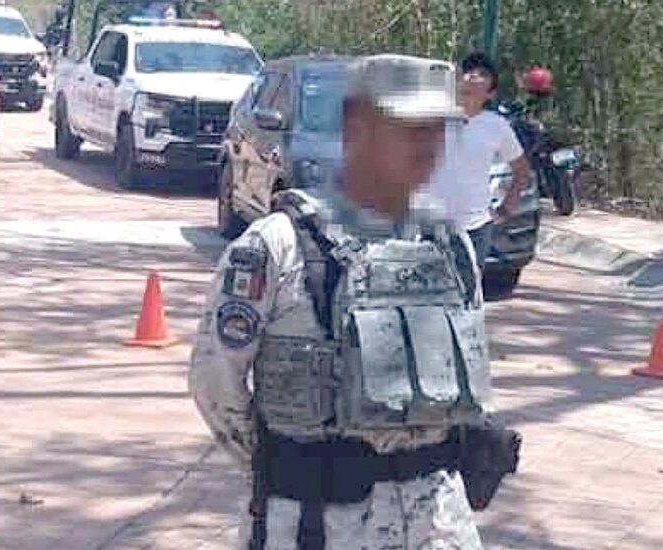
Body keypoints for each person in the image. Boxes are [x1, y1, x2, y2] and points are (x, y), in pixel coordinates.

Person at [189, 54, 518, 548]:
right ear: (355, 126)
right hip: (317, 521)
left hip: (437, 524)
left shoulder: (452, 247)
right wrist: (291, 464)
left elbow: (467, 381)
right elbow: (215, 382)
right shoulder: (276, 247)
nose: (426, 144)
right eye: (406, 126)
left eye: (437, 128)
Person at [431, 52, 529, 271]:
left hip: (474, 229)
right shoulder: (430, 118)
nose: (471, 77)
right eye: (466, 72)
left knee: (466, 297)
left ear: (490, 92)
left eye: (481, 74)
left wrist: (505, 209)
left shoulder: (496, 126)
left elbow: (521, 171)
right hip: (427, 228)